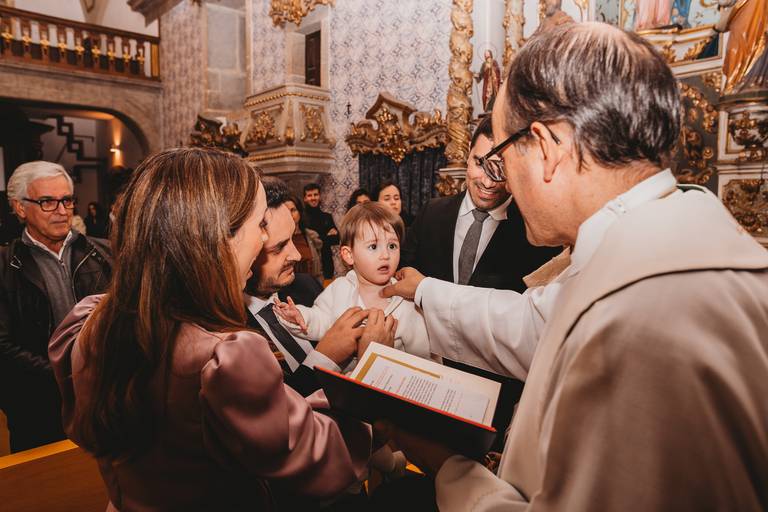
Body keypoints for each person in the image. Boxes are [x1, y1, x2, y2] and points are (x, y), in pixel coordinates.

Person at [382, 23, 768, 510]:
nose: (502, 180)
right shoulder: (675, 238)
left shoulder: (633, 323)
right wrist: (425, 290)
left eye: (502, 155)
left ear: (543, 148)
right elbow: (532, 322)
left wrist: (452, 469)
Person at [48, 147, 396, 510]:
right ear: (217, 237)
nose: (265, 242)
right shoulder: (223, 357)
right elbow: (320, 459)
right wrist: (374, 368)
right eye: (260, 224)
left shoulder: (90, 322)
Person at [0, 161, 112, 452]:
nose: (62, 211)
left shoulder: (104, 253)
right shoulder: (5, 266)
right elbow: (3, 346)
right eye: (47, 202)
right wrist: (68, 374)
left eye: (66, 200)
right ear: (20, 208)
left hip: (108, 402)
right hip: (38, 410)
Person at [402, 116, 560, 292]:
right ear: (468, 154)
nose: (488, 182)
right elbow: (403, 273)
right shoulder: (431, 213)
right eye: (479, 163)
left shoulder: (537, 230)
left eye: (502, 169)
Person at [275, 202, 430, 362]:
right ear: (349, 255)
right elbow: (320, 320)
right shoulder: (339, 289)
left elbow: (424, 357)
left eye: (392, 245)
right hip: (343, 384)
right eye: (373, 246)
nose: (385, 255)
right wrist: (300, 316)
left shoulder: (407, 301)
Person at [283, 192, 324, 286]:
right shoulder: (278, 239)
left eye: (293, 210)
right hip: (288, 290)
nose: (290, 214)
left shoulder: (311, 236)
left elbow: (319, 268)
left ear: (300, 212)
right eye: (286, 211)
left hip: (312, 288)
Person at [302, 183, 339, 280]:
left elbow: (336, 239)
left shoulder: (327, 217)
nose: (313, 198)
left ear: (320, 196)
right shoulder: (302, 219)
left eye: (315, 194)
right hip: (310, 265)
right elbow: (304, 241)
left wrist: (316, 238)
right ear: (305, 199)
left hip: (327, 264)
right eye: (309, 195)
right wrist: (327, 236)